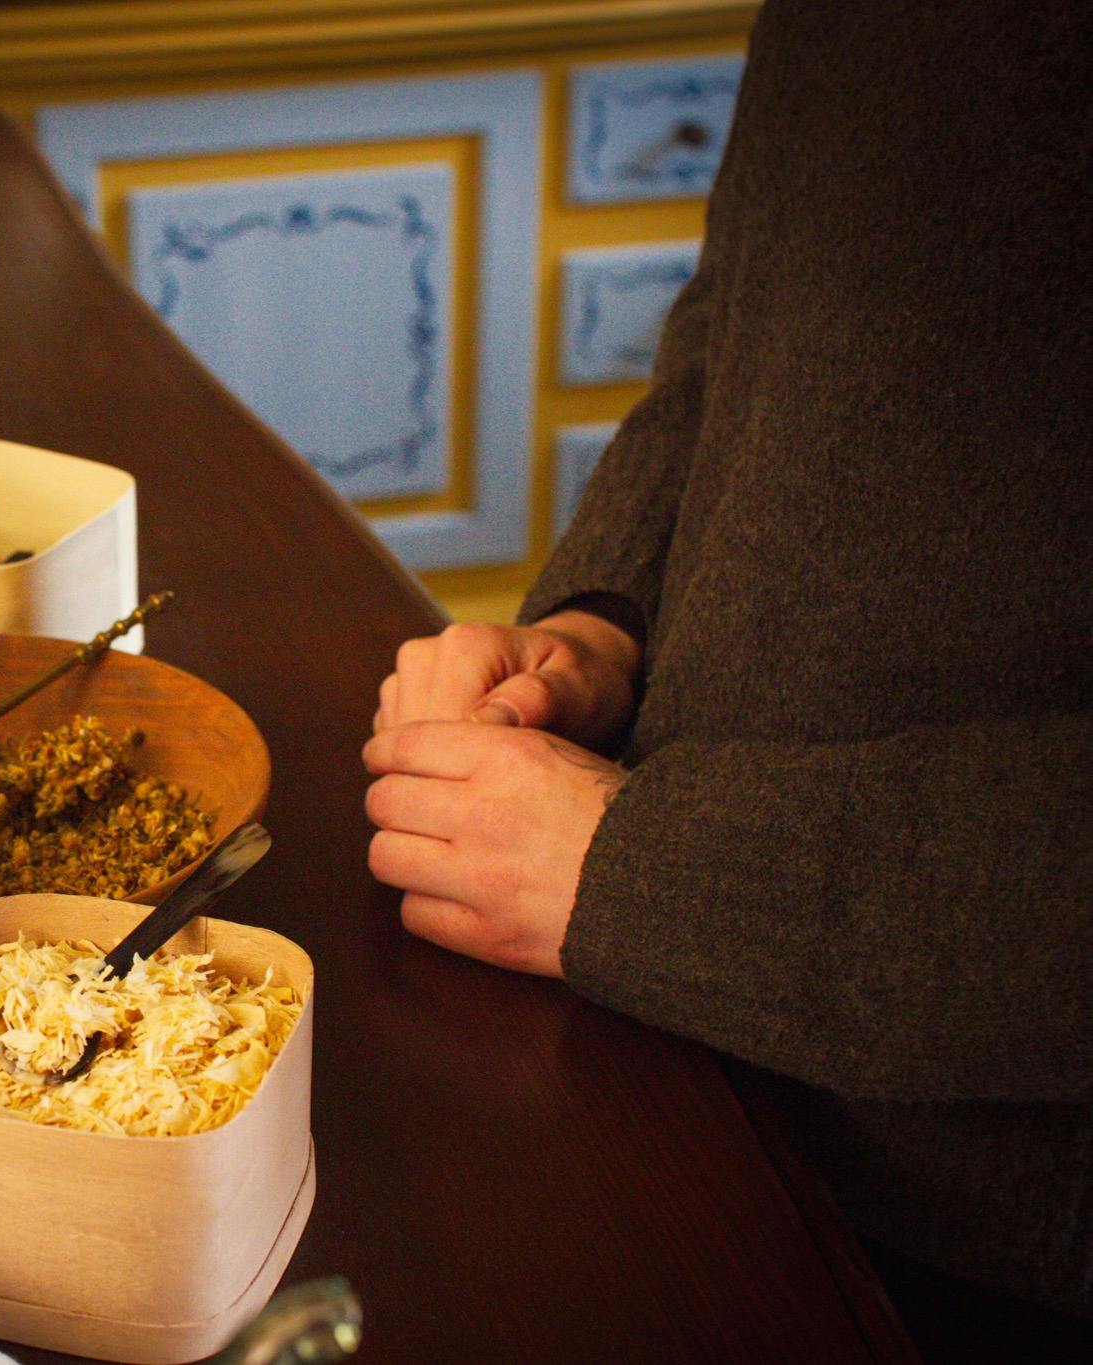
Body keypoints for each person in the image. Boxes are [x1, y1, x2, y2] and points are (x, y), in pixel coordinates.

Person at [363, 0, 1091, 1357]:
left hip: (979, 1252)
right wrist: (600, 626)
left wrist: (642, 875)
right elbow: (746, 307)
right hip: (683, 1061)